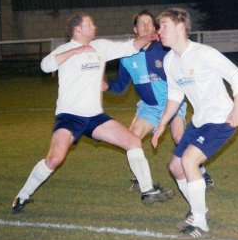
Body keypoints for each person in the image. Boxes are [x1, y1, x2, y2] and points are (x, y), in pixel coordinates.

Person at [12, 13, 172, 214]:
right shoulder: (65, 50)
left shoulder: (101, 46)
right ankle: (22, 196)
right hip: (69, 117)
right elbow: (45, 66)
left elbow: (129, 46)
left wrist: (147, 38)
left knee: (133, 141)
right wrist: (76, 51)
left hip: (95, 117)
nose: (94, 27)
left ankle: (148, 190)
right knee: (54, 159)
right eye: (89, 24)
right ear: (78, 30)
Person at [151, 7, 238, 240]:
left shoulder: (204, 53)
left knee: (189, 161)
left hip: (221, 119)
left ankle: (201, 224)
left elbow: (235, 75)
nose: (159, 31)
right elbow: (175, 95)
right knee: (176, 167)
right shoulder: (169, 60)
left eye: (163, 26)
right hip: (200, 121)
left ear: (180, 27)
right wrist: (162, 124)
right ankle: (199, 209)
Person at [103, 10, 214, 191]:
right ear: (135, 29)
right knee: (131, 139)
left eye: (149, 23)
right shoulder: (127, 56)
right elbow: (121, 86)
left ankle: (202, 172)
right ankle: (143, 180)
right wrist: (107, 86)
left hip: (172, 103)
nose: (146, 27)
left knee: (180, 137)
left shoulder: (164, 49)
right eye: (142, 24)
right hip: (148, 108)